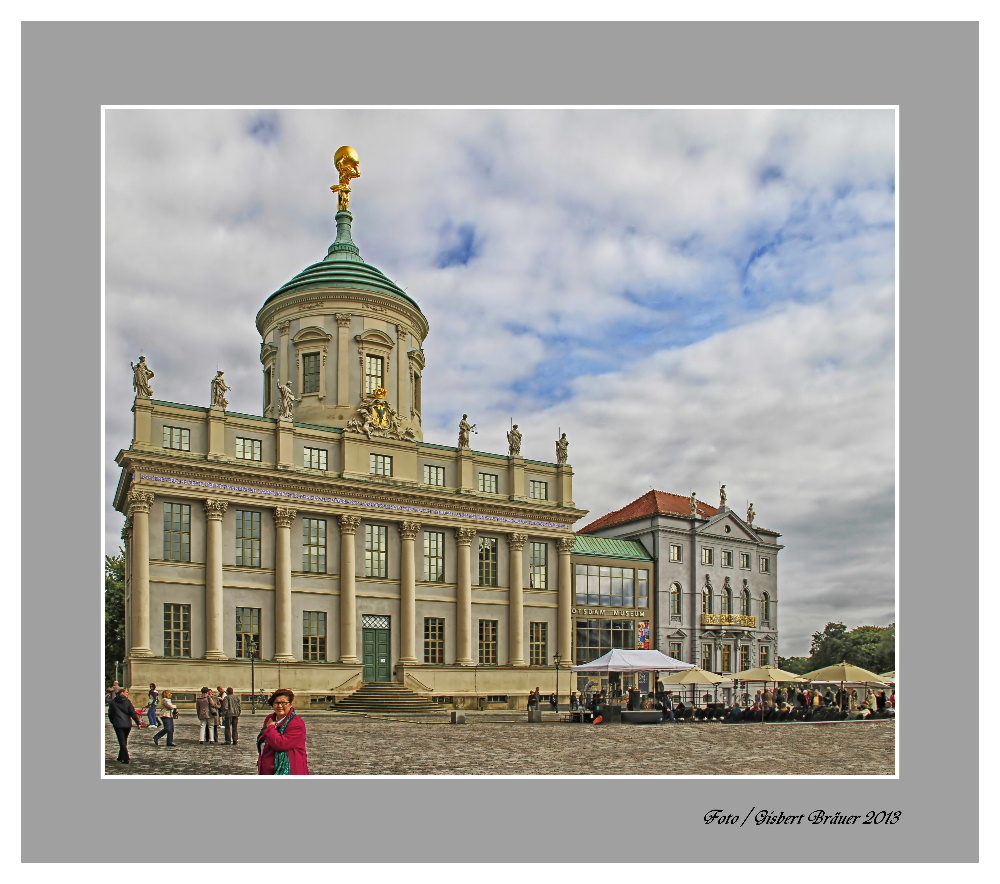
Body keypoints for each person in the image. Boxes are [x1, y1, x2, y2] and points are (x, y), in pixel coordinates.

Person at [257, 689, 310, 775]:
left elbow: (281, 744)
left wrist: (270, 728)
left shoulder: (296, 723)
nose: (280, 706)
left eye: (284, 703)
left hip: (291, 770)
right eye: (276, 703)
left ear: (290, 705)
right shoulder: (270, 718)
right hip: (267, 769)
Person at [108, 687, 142, 764]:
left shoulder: (113, 702)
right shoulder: (127, 701)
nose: (127, 694)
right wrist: (138, 722)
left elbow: (111, 714)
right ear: (122, 692)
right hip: (127, 724)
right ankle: (124, 757)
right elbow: (132, 712)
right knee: (124, 741)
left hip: (118, 724)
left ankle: (123, 757)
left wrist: (113, 721)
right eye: (126, 692)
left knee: (122, 741)